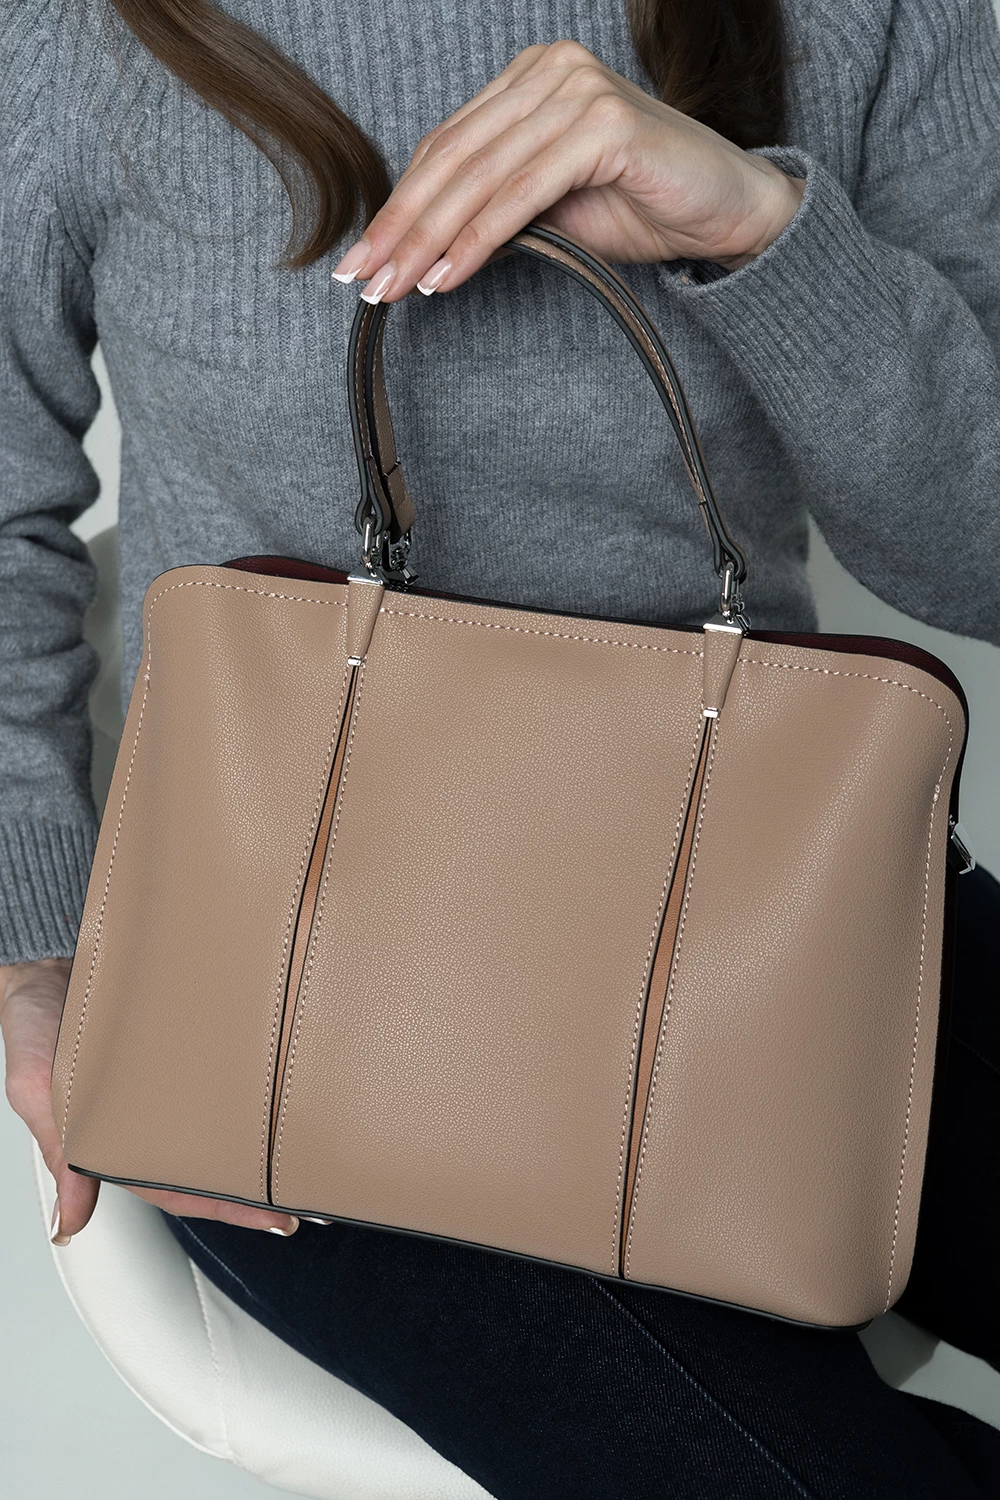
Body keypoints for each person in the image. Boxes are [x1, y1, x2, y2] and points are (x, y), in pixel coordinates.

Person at [2, 0, 1000, 1492]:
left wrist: (759, 226)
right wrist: (29, 945)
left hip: (779, 906)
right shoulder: (69, 34)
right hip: (287, 966)